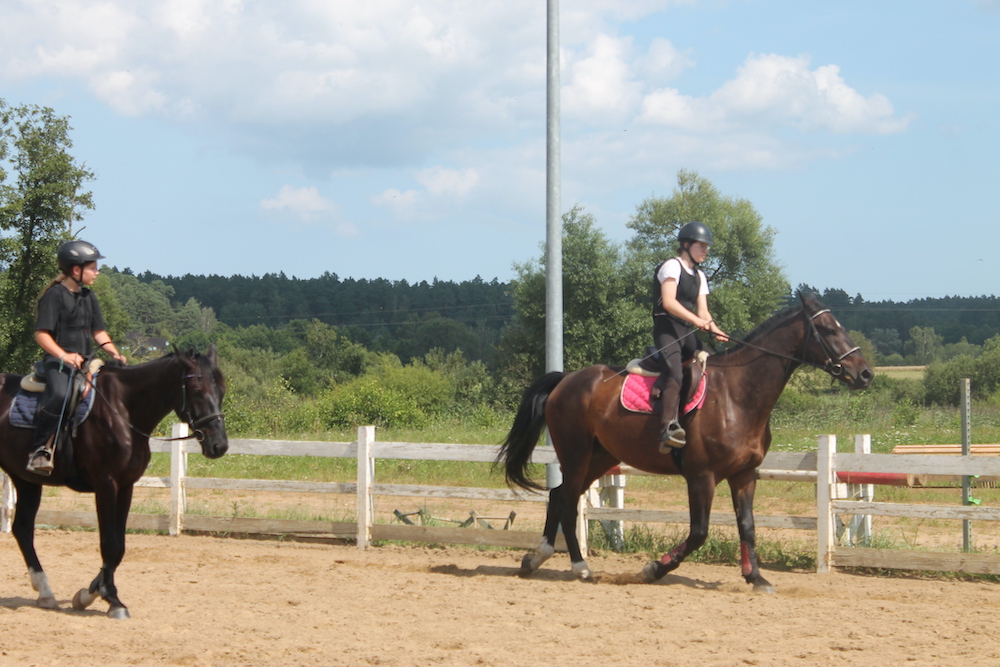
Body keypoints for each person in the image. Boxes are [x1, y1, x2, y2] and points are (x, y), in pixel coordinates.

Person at [26, 240, 126, 474]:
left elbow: (98, 331)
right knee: (61, 394)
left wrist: (114, 352)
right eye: (93, 268)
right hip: (58, 362)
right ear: (75, 269)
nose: (97, 272)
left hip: (87, 361)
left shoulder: (88, 296)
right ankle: (40, 449)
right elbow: (42, 334)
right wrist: (64, 355)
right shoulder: (54, 296)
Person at [652, 221, 727, 450]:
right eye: (701, 246)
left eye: (707, 247)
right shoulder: (671, 266)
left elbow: (703, 312)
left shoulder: (700, 276)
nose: (706, 250)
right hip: (667, 330)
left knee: (714, 367)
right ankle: (667, 428)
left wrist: (715, 329)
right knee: (675, 373)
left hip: (687, 332)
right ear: (686, 245)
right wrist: (697, 321)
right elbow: (668, 302)